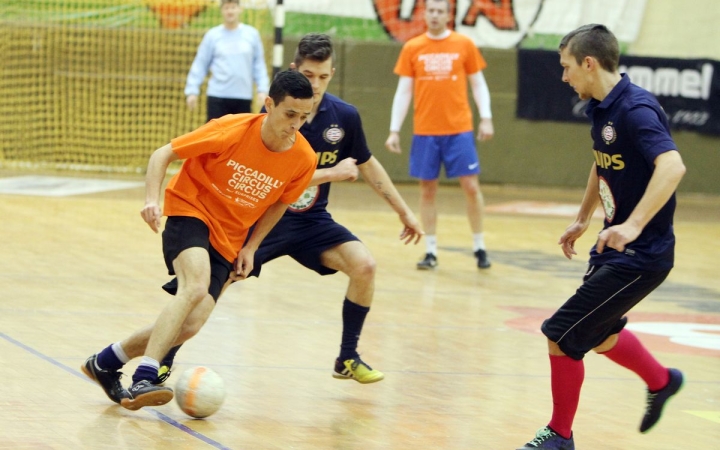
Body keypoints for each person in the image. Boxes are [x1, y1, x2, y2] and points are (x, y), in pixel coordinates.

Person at [159, 33, 424, 385]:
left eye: (324, 77)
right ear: (295, 71)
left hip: (312, 221)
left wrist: (404, 212)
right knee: (208, 293)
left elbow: (367, 163)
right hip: (263, 219)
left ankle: (347, 356)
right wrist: (330, 173)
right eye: (310, 76)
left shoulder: (344, 117)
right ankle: (163, 357)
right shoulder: (275, 116)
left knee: (365, 265)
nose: (316, 85)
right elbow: (275, 178)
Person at [81, 70, 317, 411]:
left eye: (304, 117)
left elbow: (281, 202)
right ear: (269, 105)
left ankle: (105, 362)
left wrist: (251, 247)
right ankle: (145, 375)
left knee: (191, 324)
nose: (296, 124)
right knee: (195, 285)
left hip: (230, 237)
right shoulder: (231, 130)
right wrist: (152, 199)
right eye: (289, 114)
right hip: (191, 210)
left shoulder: (304, 158)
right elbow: (163, 153)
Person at [517, 24, 686, 449]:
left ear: (589, 63)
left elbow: (672, 167)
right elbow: (603, 162)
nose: (563, 76)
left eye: (567, 66)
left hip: (641, 254)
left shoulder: (636, 110)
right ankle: (663, 381)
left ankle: (560, 436)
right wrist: (583, 218)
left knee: (562, 334)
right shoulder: (602, 107)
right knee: (601, 334)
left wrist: (633, 225)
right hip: (614, 247)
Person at [384, 0, 495, 271]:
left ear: (448, 15)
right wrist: (394, 129)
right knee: (427, 190)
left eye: (439, 11)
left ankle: (479, 246)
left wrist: (487, 117)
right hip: (425, 132)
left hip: (459, 130)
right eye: (430, 10)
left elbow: (478, 85)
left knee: (471, 187)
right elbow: (404, 91)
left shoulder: (464, 44)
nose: (434, 15)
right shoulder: (413, 47)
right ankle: (430, 250)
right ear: (424, 14)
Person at [184, 0, 270, 121]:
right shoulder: (212, 35)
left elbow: (259, 65)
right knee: (215, 137)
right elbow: (200, 64)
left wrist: (262, 89)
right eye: (227, 8)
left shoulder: (252, 35)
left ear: (240, 9)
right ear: (222, 11)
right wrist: (192, 90)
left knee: (240, 137)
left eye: (233, 7)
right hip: (217, 96)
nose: (230, 11)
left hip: (243, 96)